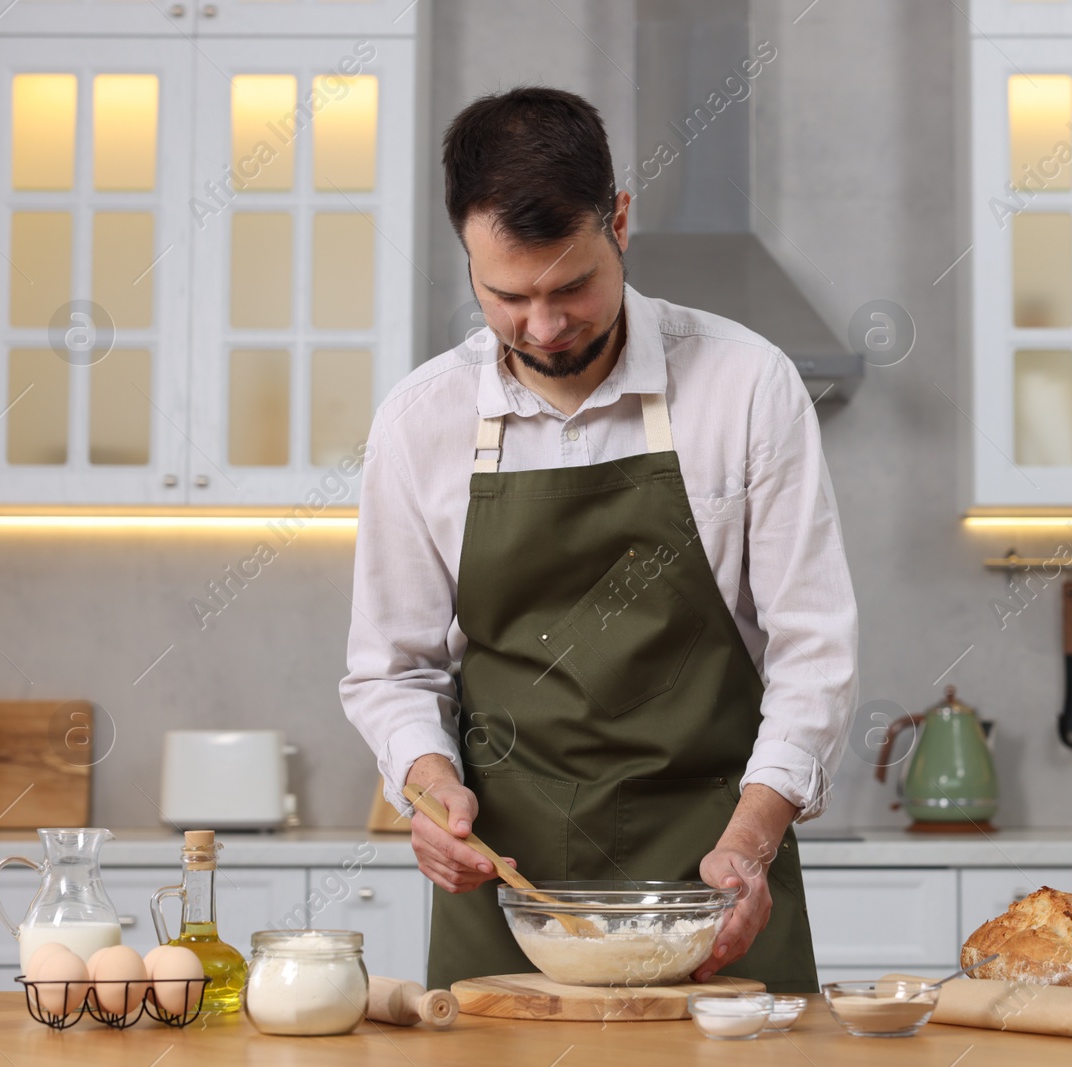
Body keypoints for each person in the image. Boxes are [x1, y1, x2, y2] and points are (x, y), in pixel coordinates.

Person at [340, 86, 858, 994]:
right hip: (510, 891)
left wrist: (753, 839)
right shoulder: (420, 422)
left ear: (619, 218)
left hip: (713, 882)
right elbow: (393, 669)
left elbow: (813, 652)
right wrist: (427, 784)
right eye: (507, 295)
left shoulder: (747, 388)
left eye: (571, 285)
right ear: (466, 254)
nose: (543, 329)